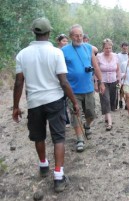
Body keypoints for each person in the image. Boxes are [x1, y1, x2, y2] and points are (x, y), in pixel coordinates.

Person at [12, 17, 80, 193]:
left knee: (39, 136)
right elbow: (64, 82)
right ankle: (58, 176)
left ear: (34, 32)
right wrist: (74, 102)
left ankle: (43, 165)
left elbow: (19, 83)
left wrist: (15, 106)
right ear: (49, 33)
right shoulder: (57, 53)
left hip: (34, 102)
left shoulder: (22, 54)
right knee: (59, 138)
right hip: (55, 100)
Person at [61, 24, 105, 152]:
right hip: (72, 90)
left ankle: (87, 125)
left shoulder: (88, 48)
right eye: (76, 35)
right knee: (76, 115)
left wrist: (101, 82)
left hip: (88, 88)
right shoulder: (64, 51)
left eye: (80, 35)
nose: (79, 37)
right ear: (71, 36)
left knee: (91, 114)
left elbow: (96, 67)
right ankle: (80, 139)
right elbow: (60, 70)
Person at [96, 38, 121, 131]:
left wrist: (119, 80)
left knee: (111, 100)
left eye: (110, 48)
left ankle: (107, 116)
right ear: (103, 48)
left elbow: (118, 69)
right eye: (106, 48)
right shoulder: (99, 56)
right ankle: (110, 123)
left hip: (113, 81)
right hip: (103, 82)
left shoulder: (115, 56)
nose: (108, 50)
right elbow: (96, 70)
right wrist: (96, 82)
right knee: (105, 100)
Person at [56, 34, 71, 128]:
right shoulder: (56, 52)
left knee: (67, 99)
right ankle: (65, 120)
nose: (65, 43)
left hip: (69, 77)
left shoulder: (69, 51)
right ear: (59, 41)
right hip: (60, 78)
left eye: (66, 41)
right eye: (63, 41)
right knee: (62, 100)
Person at [117, 42, 129, 109]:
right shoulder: (118, 55)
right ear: (121, 47)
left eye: (126, 48)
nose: (125, 49)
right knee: (121, 89)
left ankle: (127, 104)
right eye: (124, 48)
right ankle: (120, 101)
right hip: (120, 74)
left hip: (127, 74)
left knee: (127, 90)